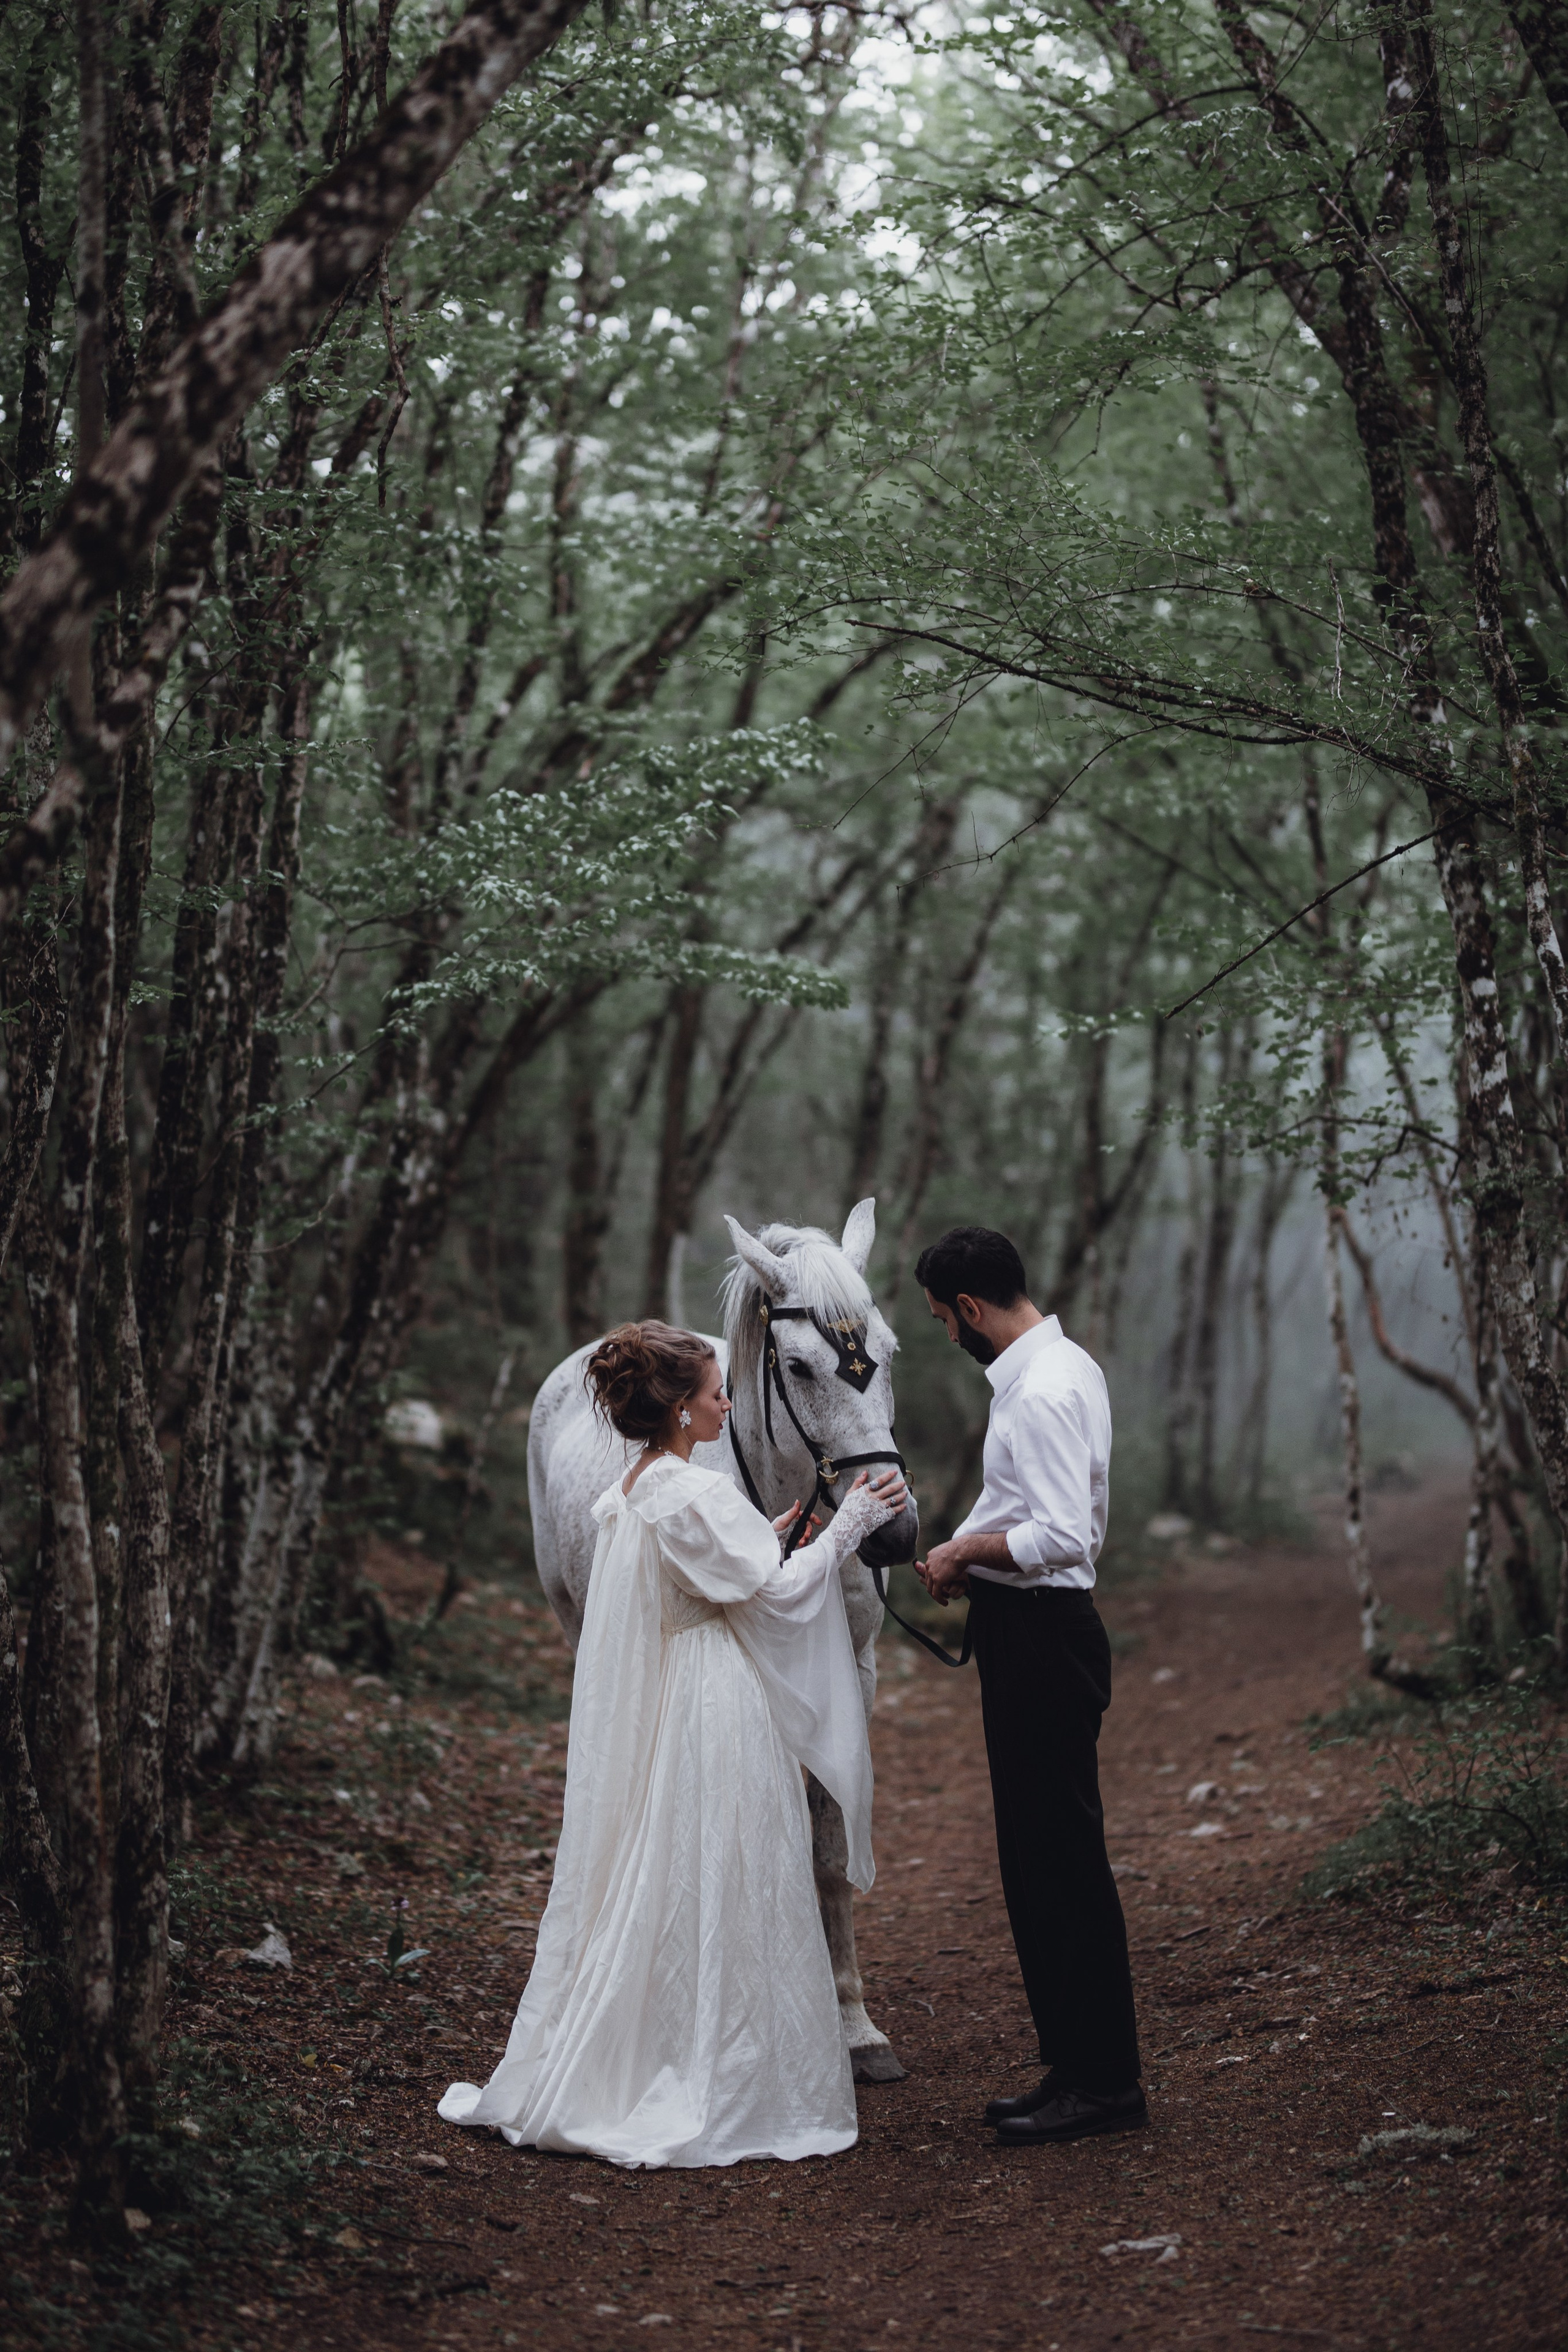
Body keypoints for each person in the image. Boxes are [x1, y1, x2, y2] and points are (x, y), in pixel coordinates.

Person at [438, 1319, 907, 2168]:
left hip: (681, 1689)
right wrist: (848, 1527)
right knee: (732, 1865)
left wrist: (780, 1524)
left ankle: (677, 2034)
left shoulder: (641, 1485)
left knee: (679, 1863)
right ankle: (722, 2059)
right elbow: (769, 1593)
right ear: (682, 1412)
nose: (729, 1401)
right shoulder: (694, 1493)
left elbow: (714, 1559)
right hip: (714, 1698)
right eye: (715, 1393)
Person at [913, 1227, 1145, 2146]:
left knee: (1061, 1862)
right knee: (1036, 1859)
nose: (946, 1336)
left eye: (943, 1321)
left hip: (1046, 1640)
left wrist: (969, 1549)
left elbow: (1062, 1537)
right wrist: (970, 1551)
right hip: (1027, 1632)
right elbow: (1029, 1510)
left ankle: (1106, 2082)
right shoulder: (1057, 1369)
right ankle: (1077, 2065)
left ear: (972, 1307)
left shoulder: (1042, 1392)